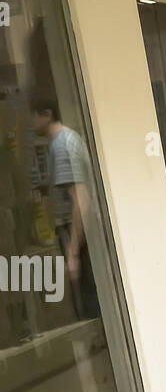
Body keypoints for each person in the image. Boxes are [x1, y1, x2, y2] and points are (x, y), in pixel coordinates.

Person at [31, 96, 100, 322]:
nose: (29, 123)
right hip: (80, 231)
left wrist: (71, 252)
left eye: (32, 116)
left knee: (89, 299)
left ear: (46, 114)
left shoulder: (61, 146)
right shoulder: (67, 140)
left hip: (77, 231)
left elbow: (81, 200)